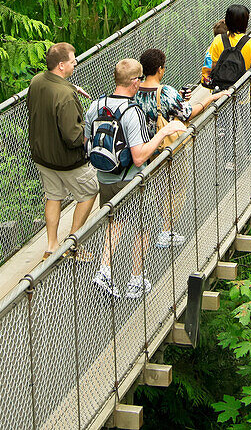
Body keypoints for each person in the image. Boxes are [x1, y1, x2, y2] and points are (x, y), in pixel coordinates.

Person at [85, 58, 186, 298]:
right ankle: (135, 279)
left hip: (105, 178)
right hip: (130, 180)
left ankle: (105, 271)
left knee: (115, 222)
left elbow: (87, 140)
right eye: (139, 79)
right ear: (134, 82)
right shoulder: (133, 112)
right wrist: (163, 133)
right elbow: (139, 157)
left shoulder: (95, 106)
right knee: (144, 227)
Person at [135, 48, 224, 248]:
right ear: (159, 69)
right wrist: (208, 99)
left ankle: (160, 225)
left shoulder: (134, 90)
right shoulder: (165, 92)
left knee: (158, 189)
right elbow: (186, 114)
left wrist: (181, 99)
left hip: (146, 149)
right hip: (169, 149)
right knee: (176, 190)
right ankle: (166, 231)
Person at [28, 42, 98, 261]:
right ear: (61, 65)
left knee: (53, 196)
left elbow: (50, 93)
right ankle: (72, 243)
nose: (75, 63)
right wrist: (92, 133)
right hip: (67, 161)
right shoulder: (65, 97)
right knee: (90, 191)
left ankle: (51, 246)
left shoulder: (37, 81)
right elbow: (73, 137)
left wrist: (72, 88)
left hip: (42, 157)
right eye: (72, 60)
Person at [204, 3, 251, 84]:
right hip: (243, 88)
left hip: (220, 91)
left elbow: (213, 64)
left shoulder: (218, 39)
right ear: (245, 23)